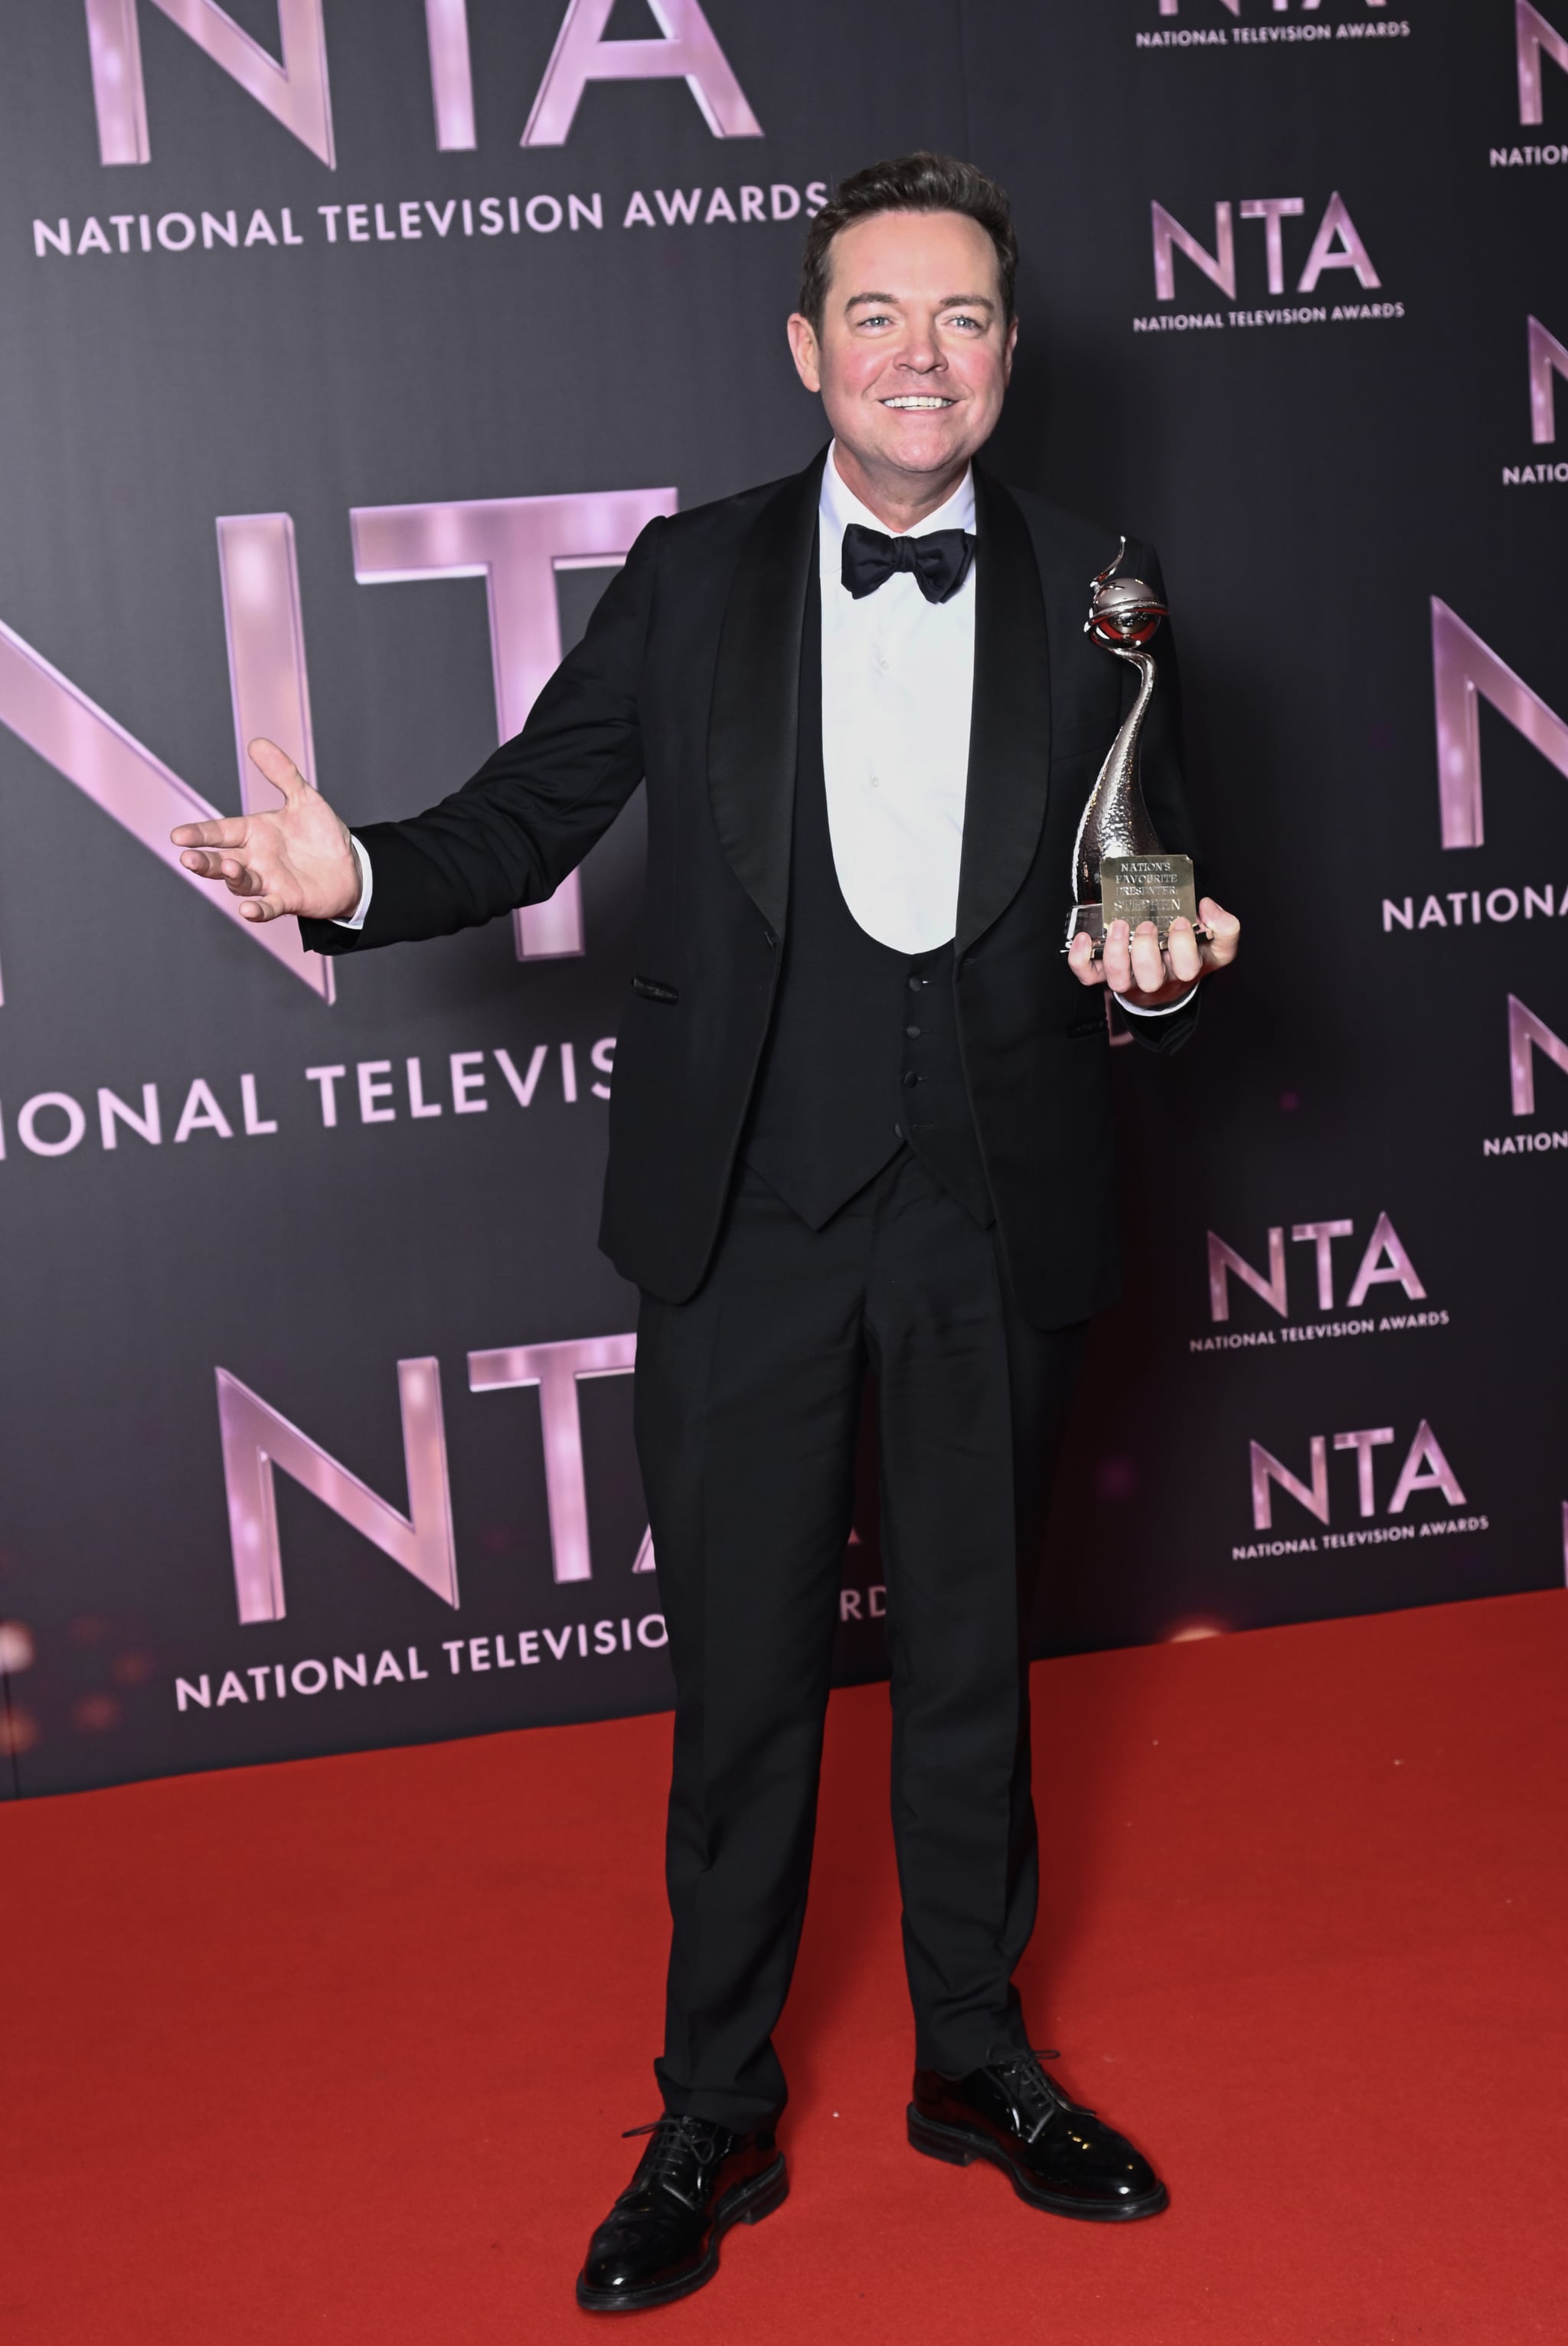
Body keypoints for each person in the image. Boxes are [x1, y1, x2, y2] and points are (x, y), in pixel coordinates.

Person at [172, 154, 1240, 2315]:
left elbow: (1146, 885)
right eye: (876, 314)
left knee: (970, 1660)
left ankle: (975, 2062)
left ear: (1010, 359)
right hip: (745, 1208)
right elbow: (529, 817)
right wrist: (350, 876)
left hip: (993, 1202)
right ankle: (715, 2107)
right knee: (744, 1681)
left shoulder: (1098, 583)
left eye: (960, 319)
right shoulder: (696, 577)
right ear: (803, 347)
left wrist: (1173, 965)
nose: (919, 355)